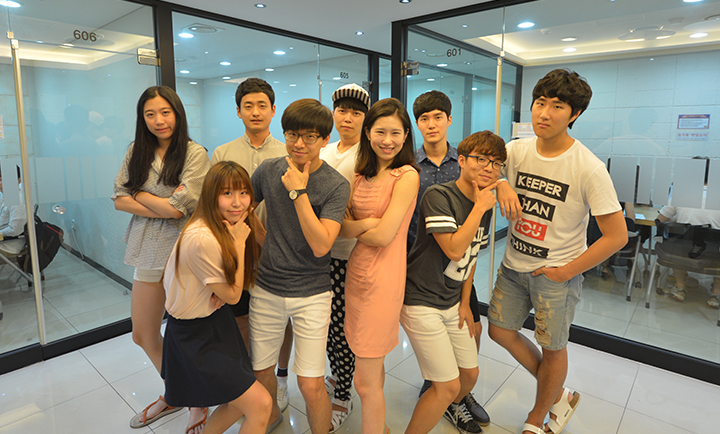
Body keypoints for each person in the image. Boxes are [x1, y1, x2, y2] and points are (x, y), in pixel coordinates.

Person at [490, 69, 627, 434]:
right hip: (512, 266)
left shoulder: (588, 168)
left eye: (557, 106)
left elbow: (617, 236)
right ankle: (559, 393)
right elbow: (482, 169)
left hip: (556, 276)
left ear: (574, 114)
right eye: (540, 103)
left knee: (552, 349)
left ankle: (538, 416)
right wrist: (501, 182)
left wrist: (566, 271)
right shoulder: (514, 151)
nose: (544, 113)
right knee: (499, 331)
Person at [112, 86, 210, 433]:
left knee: (186, 334)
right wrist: (160, 205)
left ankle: (194, 398)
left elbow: (178, 209)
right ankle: (179, 392)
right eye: (150, 114)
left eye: (165, 112)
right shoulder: (136, 150)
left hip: (184, 251)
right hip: (147, 250)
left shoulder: (195, 154)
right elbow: (118, 198)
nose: (158, 120)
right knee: (143, 333)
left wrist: (139, 193)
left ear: (177, 113)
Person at [249, 98, 350, 434]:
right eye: (292, 134)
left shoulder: (336, 184)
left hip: (313, 293)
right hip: (267, 287)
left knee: (310, 383)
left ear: (325, 139)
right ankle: (271, 420)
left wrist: (298, 192)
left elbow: (322, 245)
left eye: (310, 136)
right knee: (261, 371)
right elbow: (240, 206)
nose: (299, 144)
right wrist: (262, 237)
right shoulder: (268, 170)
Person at [402, 131, 506, 434]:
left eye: (496, 163)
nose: (489, 168)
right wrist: (480, 207)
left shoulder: (483, 202)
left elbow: (471, 257)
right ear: (461, 160)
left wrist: (465, 304)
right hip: (420, 299)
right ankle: (441, 403)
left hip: (451, 301)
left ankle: (449, 405)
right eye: (481, 159)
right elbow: (454, 249)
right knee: (447, 386)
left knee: (469, 375)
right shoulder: (439, 196)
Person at [161, 161, 272, 434]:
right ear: (212, 195)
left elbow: (227, 290)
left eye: (243, 193)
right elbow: (233, 295)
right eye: (227, 193)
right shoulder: (204, 237)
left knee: (241, 402)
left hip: (214, 322)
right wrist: (239, 243)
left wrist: (219, 290)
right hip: (195, 335)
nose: (237, 202)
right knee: (260, 404)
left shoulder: (219, 227)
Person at [210, 77, 294, 412]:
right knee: (241, 317)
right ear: (238, 111)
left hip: (278, 249)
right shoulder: (223, 153)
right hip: (235, 249)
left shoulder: (287, 152)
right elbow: (213, 202)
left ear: (273, 110)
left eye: (262, 105)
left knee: (282, 319)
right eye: (248, 106)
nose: (255, 112)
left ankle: (281, 378)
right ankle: (247, 381)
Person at [409, 90, 489, 426]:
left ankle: (460, 394)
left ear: (449, 120)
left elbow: (491, 181)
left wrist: (504, 187)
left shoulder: (467, 161)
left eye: (438, 117)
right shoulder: (409, 165)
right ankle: (438, 386)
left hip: (461, 261)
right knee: (430, 332)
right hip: (423, 260)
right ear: (417, 124)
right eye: (424, 119)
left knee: (471, 325)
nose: (431, 124)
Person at [341, 98, 420, 434]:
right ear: (368, 133)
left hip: (384, 279)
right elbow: (341, 227)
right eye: (380, 132)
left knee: (364, 382)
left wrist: (357, 226)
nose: (388, 140)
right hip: (356, 274)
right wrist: (366, 225)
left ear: (406, 136)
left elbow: (386, 235)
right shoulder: (360, 175)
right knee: (370, 368)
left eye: (395, 133)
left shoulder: (407, 175)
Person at [319, 83, 371, 432]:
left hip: (351, 254)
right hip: (320, 251)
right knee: (325, 323)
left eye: (356, 112)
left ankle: (343, 394)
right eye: (342, 111)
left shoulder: (367, 155)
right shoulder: (324, 150)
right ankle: (338, 375)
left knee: (343, 327)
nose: (347, 118)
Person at [657, 205, 720, 308]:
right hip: (713, 252)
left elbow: (660, 220)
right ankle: (716, 294)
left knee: (677, 244)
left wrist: (678, 219)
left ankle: (680, 288)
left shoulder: (681, 197)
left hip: (683, 252)